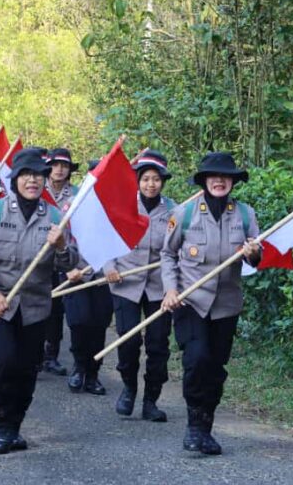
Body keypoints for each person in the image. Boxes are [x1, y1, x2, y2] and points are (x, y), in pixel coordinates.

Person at [0, 148, 78, 454]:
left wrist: (60, 246)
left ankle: (15, 425)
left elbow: (68, 264)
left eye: (38, 175)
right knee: (1, 362)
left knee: (26, 369)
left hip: (34, 307)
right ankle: (1, 424)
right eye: (27, 175)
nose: (33, 181)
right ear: (16, 178)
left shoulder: (56, 217)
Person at [161, 151, 261, 456]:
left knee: (215, 367)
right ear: (204, 181)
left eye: (225, 177)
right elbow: (167, 255)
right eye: (213, 176)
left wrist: (253, 253)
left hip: (226, 305)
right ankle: (193, 427)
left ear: (232, 182)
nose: (219, 181)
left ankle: (205, 427)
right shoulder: (185, 213)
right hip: (191, 302)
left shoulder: (245, 215)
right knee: (197, 359)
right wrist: (169, 290)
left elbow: (257, 258)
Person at [103, 150, 176, 422]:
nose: (151, 184)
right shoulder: (123, 206)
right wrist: (109, 268)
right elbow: (105, 239)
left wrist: (175, 286)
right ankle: (129, 388)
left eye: (156, 179)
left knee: (158, 345)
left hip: (160, 285)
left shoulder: (173, 210)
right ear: (138, 180)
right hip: (126, 282)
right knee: (129, 341)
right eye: (146, 179)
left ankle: (151, 399)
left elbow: (178, 248)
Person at [62, 159, 112, 395]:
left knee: (98, 325)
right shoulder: (72, 205)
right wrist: (67, 268)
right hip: (76, 274)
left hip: (104, 276)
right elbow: (60, 240)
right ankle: (79, 367)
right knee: (79, 322)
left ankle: (93, 374)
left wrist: (115, 266)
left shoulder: (116, 208)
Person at [41, 147, 80, 375]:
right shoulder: (36, 189)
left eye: (64, 166)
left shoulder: (77, 194)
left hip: (65, 255)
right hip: (39, 256)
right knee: (36, 305)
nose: (59, 169)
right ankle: (34, 353)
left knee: (57, 309)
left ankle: (51, 355)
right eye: (55, 164)